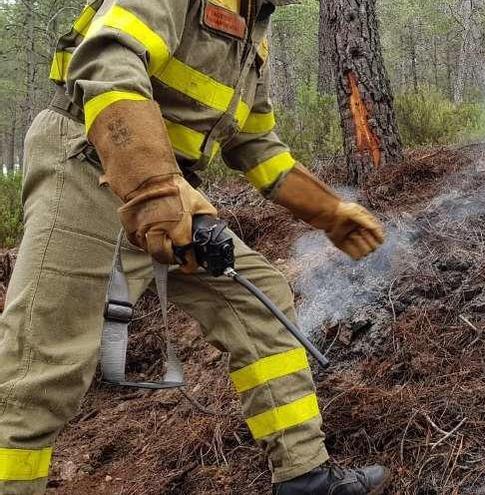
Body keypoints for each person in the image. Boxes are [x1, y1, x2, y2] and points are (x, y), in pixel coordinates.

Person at [0, 0, 390, 493]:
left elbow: (256, 143)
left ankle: (304, 477)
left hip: (171, 193)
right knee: (41, 367)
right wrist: (152, 187)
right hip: (88, 162)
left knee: (259, 303)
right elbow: (108, 60)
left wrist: (328, 211)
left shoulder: (255, 29)